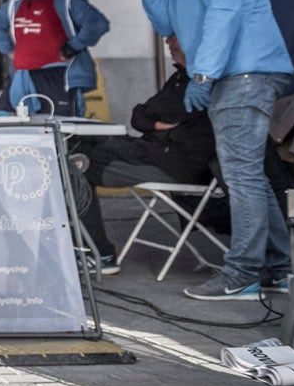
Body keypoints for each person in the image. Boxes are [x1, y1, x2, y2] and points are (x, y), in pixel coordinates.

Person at [136, 0, 294, 301]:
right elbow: (168, 23)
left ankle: (241, 273)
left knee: (240, 173)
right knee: (248, 172)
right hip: (229, 73)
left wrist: (203, 72)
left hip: (244, 70)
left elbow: (226, 10)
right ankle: (277, 268)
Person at [74, 34, 218, 271]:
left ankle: (98, 254)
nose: (168, 43)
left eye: (174, 38)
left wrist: (154, 124)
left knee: (78, 166)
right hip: (152, 151)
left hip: (171, 165)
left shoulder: (203, 85)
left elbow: (173, 122)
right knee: (82, 144)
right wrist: (155, 124)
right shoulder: (179, 79)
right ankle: (82, 247)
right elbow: (139, 115)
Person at [0, 0, 109, 116]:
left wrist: (73, 47)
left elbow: (97, 23)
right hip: (23, 78)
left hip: (58, 77)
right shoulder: (16, 3)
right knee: (6, 123)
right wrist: (9, 50)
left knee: (60, 131)